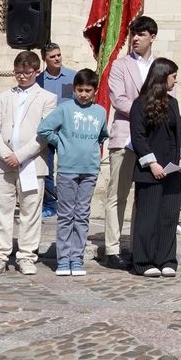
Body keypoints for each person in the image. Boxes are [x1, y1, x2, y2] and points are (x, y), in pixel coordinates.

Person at [0, 51, 57, 276]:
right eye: (18, 73)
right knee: (2, 210)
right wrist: (5, 153)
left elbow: (44, 132)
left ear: (36, 71)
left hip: (31, 163)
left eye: (26, 73)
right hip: (4, 162)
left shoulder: (47, 98)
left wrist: (21, 155)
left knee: (30, 211)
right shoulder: (4, 97)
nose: (22, 77)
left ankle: (26, 255)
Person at [37, 68, 109, 277]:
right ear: (74, 90)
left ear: (94, 91)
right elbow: (44, 129)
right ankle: (63, 259)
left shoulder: (100, 112)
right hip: (68, 170)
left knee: (82, 214)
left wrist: (91, 149)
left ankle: (77, 258)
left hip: (90, 170)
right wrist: (61, 143)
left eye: (88, 90)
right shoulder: (65, 109)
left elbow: (103, 134)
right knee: (66, 214)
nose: (83, 94)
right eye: (80, 90)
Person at [102, 15, 157, 268]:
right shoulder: (120, 65)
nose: (135, 38)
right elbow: (118, 99)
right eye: (133, 34)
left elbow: (170, 97)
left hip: (152, 138)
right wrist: (146, 113)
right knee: (118, 194)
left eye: (141, 34)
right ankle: (112, 248)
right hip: (125, 137)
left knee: (144, 196)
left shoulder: (160, 66)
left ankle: (138, 247)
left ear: (152, 37)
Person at [129, 57, 181, 277]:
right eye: (173, 76)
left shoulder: (173, 103)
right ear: (163, 77)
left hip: (172, 169)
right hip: (150, 171)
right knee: (149, 216)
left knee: (169, 215)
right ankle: (144, 261)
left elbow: (179, 132)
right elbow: (138, 137)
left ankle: (167, 259)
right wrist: (152, 163)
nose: (175, 80)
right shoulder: (140, 104)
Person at [35, 43, 74, 218]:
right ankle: (50, 204)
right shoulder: (38, 81)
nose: (57, 58)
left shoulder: (73, 77)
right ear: (45, 59)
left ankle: (67, 203)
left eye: (58, 55)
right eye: (52, 56)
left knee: (68, 170)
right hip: (48, 132)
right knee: (47, 169)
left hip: (67, 132)